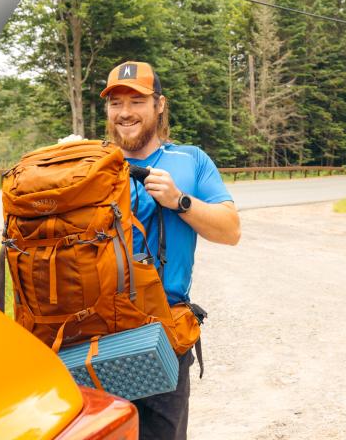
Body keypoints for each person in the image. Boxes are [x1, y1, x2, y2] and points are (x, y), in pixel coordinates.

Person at [100, 60, 240, 440]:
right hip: (93, 333)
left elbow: (231, 230)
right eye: (116, 103)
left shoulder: (190, 160)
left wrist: (180, 201)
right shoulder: (92, 165)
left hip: (163, 330)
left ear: (159, 105)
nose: (125, 112)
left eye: (136, 101)